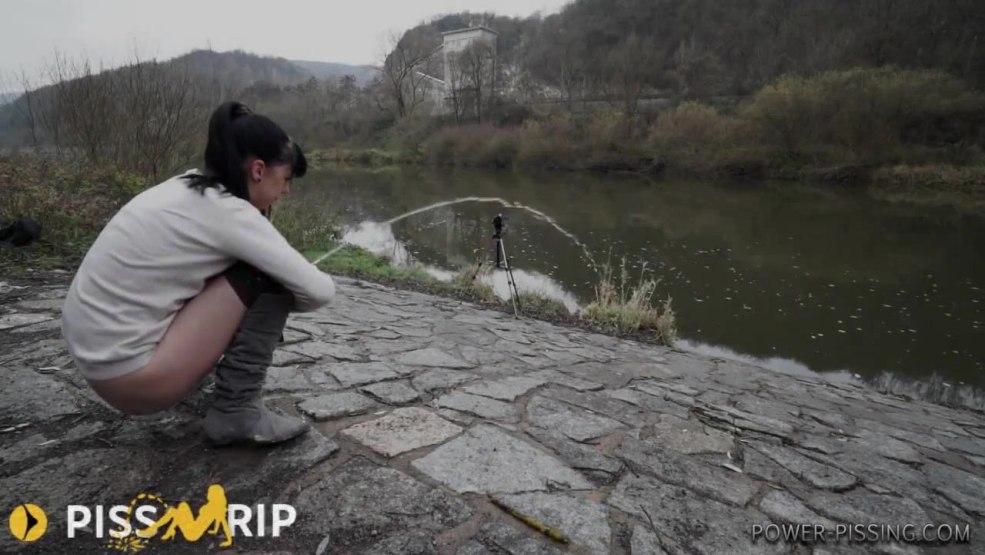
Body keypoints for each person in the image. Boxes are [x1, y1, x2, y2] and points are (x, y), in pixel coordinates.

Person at [60, 101, 337, 446]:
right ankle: (236, 412)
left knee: (241, 270)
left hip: (100, 366)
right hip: (133, 381)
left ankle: (206, 384)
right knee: (264, 277)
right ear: (258, 170)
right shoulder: (228, 212)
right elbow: (320, 292)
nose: (286, 191)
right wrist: (282, 288)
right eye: (285, 179)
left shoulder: (183, 187)